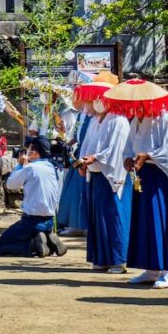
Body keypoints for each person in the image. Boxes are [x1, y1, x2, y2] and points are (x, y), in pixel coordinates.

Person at [108, 79, 168, 289]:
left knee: (160, 220)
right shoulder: (135, 121)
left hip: (159, 175)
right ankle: (151, 268)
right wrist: (128, 158)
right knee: (144, 222)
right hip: (142, 175)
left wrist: (147, 155)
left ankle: (166, 270)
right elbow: (129, 146)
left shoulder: (163, 118)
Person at [76, 77, 132, 272]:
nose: (95, 103)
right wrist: (83, 161)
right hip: (95, 173)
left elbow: (116, 149)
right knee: (97, 217)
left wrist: (96, 158)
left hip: (112, 175)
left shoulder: (118, 119)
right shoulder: (94, 120)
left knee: (113, 215)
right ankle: (101, 258)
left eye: (98, 98)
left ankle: (118, 259)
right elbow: (86, 145)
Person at [0, 137, 66, 257]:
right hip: (50, 220)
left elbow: (10, 184)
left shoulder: (30, 167)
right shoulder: (51, 167)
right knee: (21, 236)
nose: (26, 152)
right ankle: (46, 238)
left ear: (35, 152)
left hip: (32, 221)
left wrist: (20, 165)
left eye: (29, 149)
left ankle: (34, 246)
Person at [57, 75, 97, 236]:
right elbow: (76, 133)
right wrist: (66, 144)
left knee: (85, 189)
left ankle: (87, 225)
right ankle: (75, 224)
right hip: (80, 152)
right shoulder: (82, 113)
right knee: (73, 189)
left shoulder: (94, 112)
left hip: (92, 154)